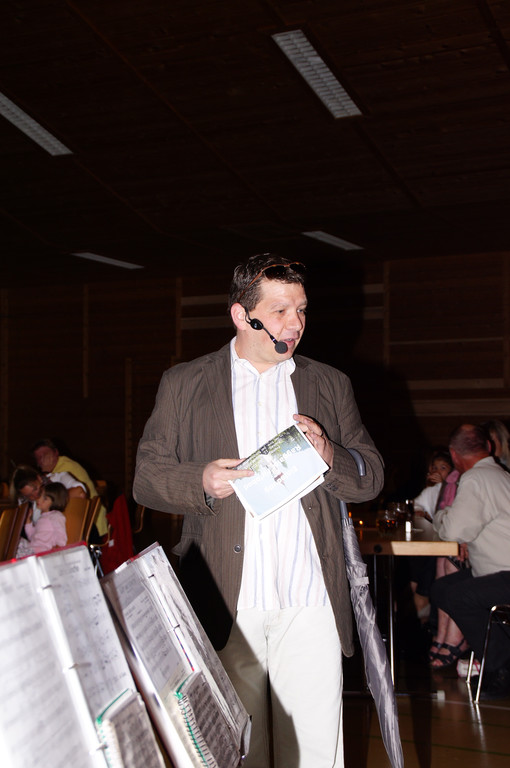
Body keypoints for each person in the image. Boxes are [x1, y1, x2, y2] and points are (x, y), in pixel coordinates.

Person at [133, 253, 384, 767]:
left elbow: (371, 475)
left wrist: (331, 456)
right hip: (226, 599)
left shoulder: (330, 383)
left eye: (302, 310)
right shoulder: (184, 383)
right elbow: (146, 478)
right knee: (238, 751)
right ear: (241, 315)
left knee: (315, 752)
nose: (295, 323)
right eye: (280, 311)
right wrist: (200, 481)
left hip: (310, 597)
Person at [431, 424, 510, 697]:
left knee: (457, 596)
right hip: (497, 571)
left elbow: (452, 530)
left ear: (454, 455)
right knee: (443, 589)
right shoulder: (499, 475)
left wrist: (440, 516)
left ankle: (502, 669)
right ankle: (493, 654)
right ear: (488, 447)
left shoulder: (477, 478)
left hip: (503, 574)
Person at [31, 437, 108, 535]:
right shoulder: (53, 472)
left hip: (91, 525)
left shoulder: (65, 469)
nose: (43, 460)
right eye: (38, 458)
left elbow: (57, 497)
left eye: (46, 455)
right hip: (82, 521)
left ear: (56, 453)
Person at [10, 464, 86, 525]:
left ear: (39, 478)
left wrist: (49, 501)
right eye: (29, 496)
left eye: (35, 489)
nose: (35, 496)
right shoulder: (24, 502)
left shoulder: (58, 478)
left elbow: (80, 493)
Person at [16, 481, 68, 556]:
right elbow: (32, 537)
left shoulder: (56, 516)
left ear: (55, 502)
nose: (39, 499)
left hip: (42, 552)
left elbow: (61, 534)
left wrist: (58, 548)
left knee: (16, 545)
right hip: (33, 549)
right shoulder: (42, 517)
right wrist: (28, 521)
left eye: (45, 498)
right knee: (16, 540)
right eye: (40, 496)